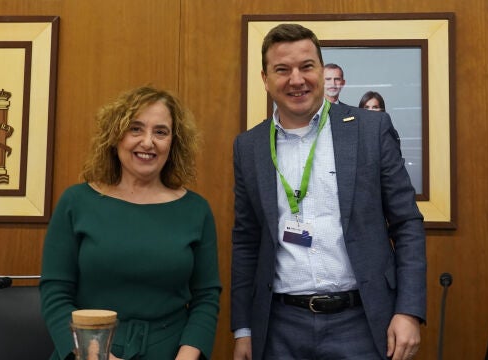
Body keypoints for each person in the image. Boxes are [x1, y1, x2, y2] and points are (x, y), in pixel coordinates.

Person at [231, 23, 426, 360]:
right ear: (265, 79)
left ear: (322, 71)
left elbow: (406, 223)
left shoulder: (370, 129)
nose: (297, 79)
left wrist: (408, 311)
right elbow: (246, 240)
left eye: (307, 67)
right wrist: (244, 329)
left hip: (361, 322)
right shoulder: (249, 146)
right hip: (279, 327)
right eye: (282, 70)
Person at [40, 85, 221, 360]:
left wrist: (186, 356)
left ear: (173, 143)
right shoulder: (76, 202)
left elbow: (206, 297)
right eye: (135, 129)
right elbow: (55, 292)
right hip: (87, 351)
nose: (148, 142)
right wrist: (95, 354)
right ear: (116, 137)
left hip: (172, 352)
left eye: (160, 132)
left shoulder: (196, 210)